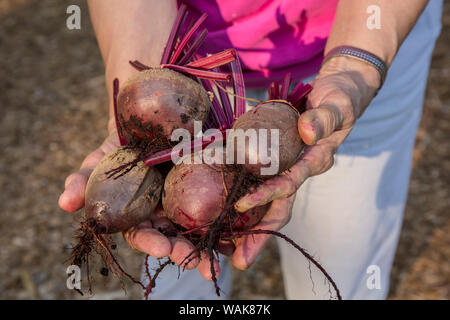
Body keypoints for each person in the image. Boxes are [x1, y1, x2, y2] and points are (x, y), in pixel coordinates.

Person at [59, 0, 443, 299]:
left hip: (362, 39)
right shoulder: (181, 99)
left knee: (340, 270)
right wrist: (142, 78)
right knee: (175, 270)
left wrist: (356, 67)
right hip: (188, 67)